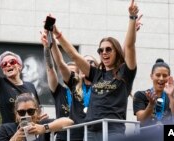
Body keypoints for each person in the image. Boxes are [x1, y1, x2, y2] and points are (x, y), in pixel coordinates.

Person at [50, 0, 140, 140]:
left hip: (112, 131)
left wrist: (132, 18)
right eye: (101, 50)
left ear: (116, 51)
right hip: (91, 130)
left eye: (108, 49)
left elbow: (129, 46)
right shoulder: (96, 74)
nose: (104, 52)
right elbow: (74, 55)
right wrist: (57, 34)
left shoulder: (125, 73)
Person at [0, 17, 41, 124]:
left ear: (20, 66)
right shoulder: (1, 84)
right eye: (4, 64)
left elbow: (38, 110)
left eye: (12, 62)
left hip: (31, 132)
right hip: (10, 134)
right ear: (3, 70)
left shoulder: (31, 86)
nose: (8, 64)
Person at [41, 31, 98, 141]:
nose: (86, 65)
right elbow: (57, 65)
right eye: (83, 62)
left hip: (93, 134)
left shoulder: (101, 86)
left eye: (90, 62)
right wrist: (48, 45)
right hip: (67, 135)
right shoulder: (72, 86)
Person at [0, 93, 74, 141]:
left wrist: (44, 128)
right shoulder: (6, 129)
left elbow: (69, 122)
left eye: (30, 111)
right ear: (16, 114)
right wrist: (13, 139)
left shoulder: (41, 124)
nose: (27, 115)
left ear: (37, 111)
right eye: (21, 112)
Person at [133, 58, 174, 127]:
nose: (161, 78)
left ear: (169, 78)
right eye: (158, 75)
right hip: (148, 136)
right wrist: (151, 104)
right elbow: (141, 120)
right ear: (151, 76)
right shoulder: (141, 95)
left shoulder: (173, 97)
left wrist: (171, 96)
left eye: (165, 76)